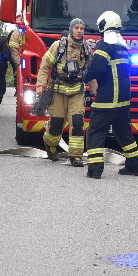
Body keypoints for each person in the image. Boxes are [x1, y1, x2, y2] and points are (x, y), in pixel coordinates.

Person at [83, 11, 138, 178]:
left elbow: (97, 68)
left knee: (95, 132)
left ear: (103, 25)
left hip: (107, 100)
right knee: (123, 132)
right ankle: (134, 165)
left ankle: (95, 169)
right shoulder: (123, 47)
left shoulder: (104, 45)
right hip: (123, 100)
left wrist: (83, 77)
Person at [36, 18, 95, 167]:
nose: (79, 30)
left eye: (82, 28)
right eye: (76, 28)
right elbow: (45, 65)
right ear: (71, 29)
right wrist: (41, 84)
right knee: (56, 124)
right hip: (58, 91)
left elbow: (91, 72)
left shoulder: (86, 49)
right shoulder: (58, 46)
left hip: (77, 92)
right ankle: (50, 144)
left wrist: (95, 92)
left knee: (77, 123)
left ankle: (75, 156)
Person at [7, 14, 24, 97]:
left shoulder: (27, 31)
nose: (18, 23)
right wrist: (18, 62)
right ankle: (18, 90)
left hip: (26, 58)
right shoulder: (14, 34)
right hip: (17, 59)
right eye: (17, 22)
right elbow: (13, 48)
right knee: (17, 74)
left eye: (20, 21)